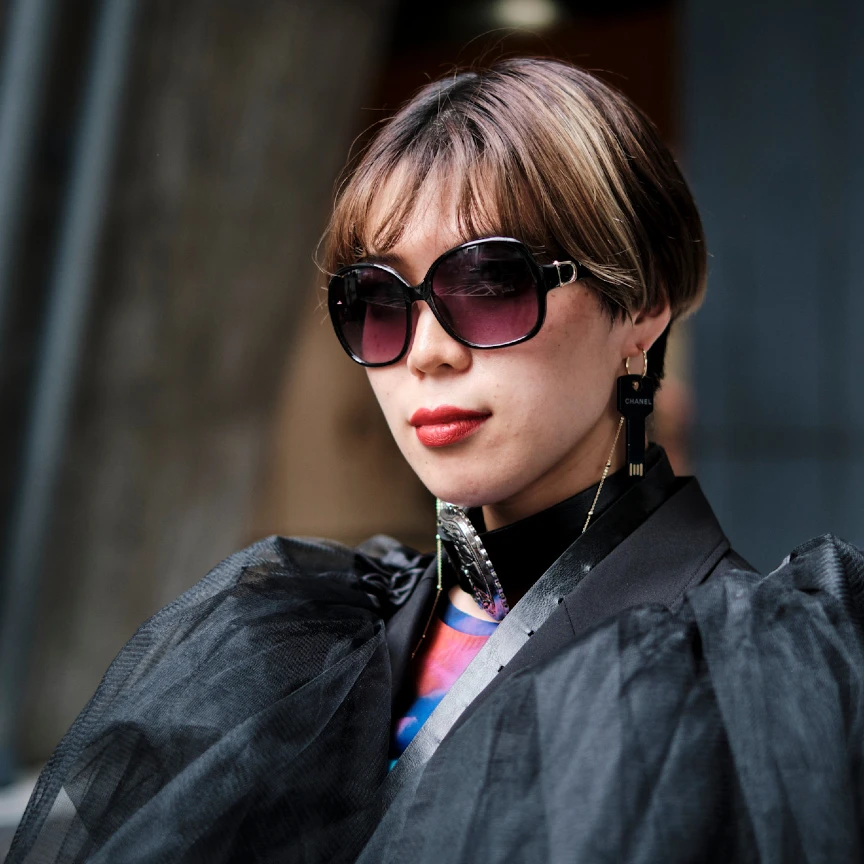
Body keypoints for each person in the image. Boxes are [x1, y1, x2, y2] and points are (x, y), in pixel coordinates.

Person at [9, 58, 864, 864]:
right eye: (377, 301)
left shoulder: (764, 680)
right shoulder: (291, 642)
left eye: (489, 285)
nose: (426, 352)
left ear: (640, 307)